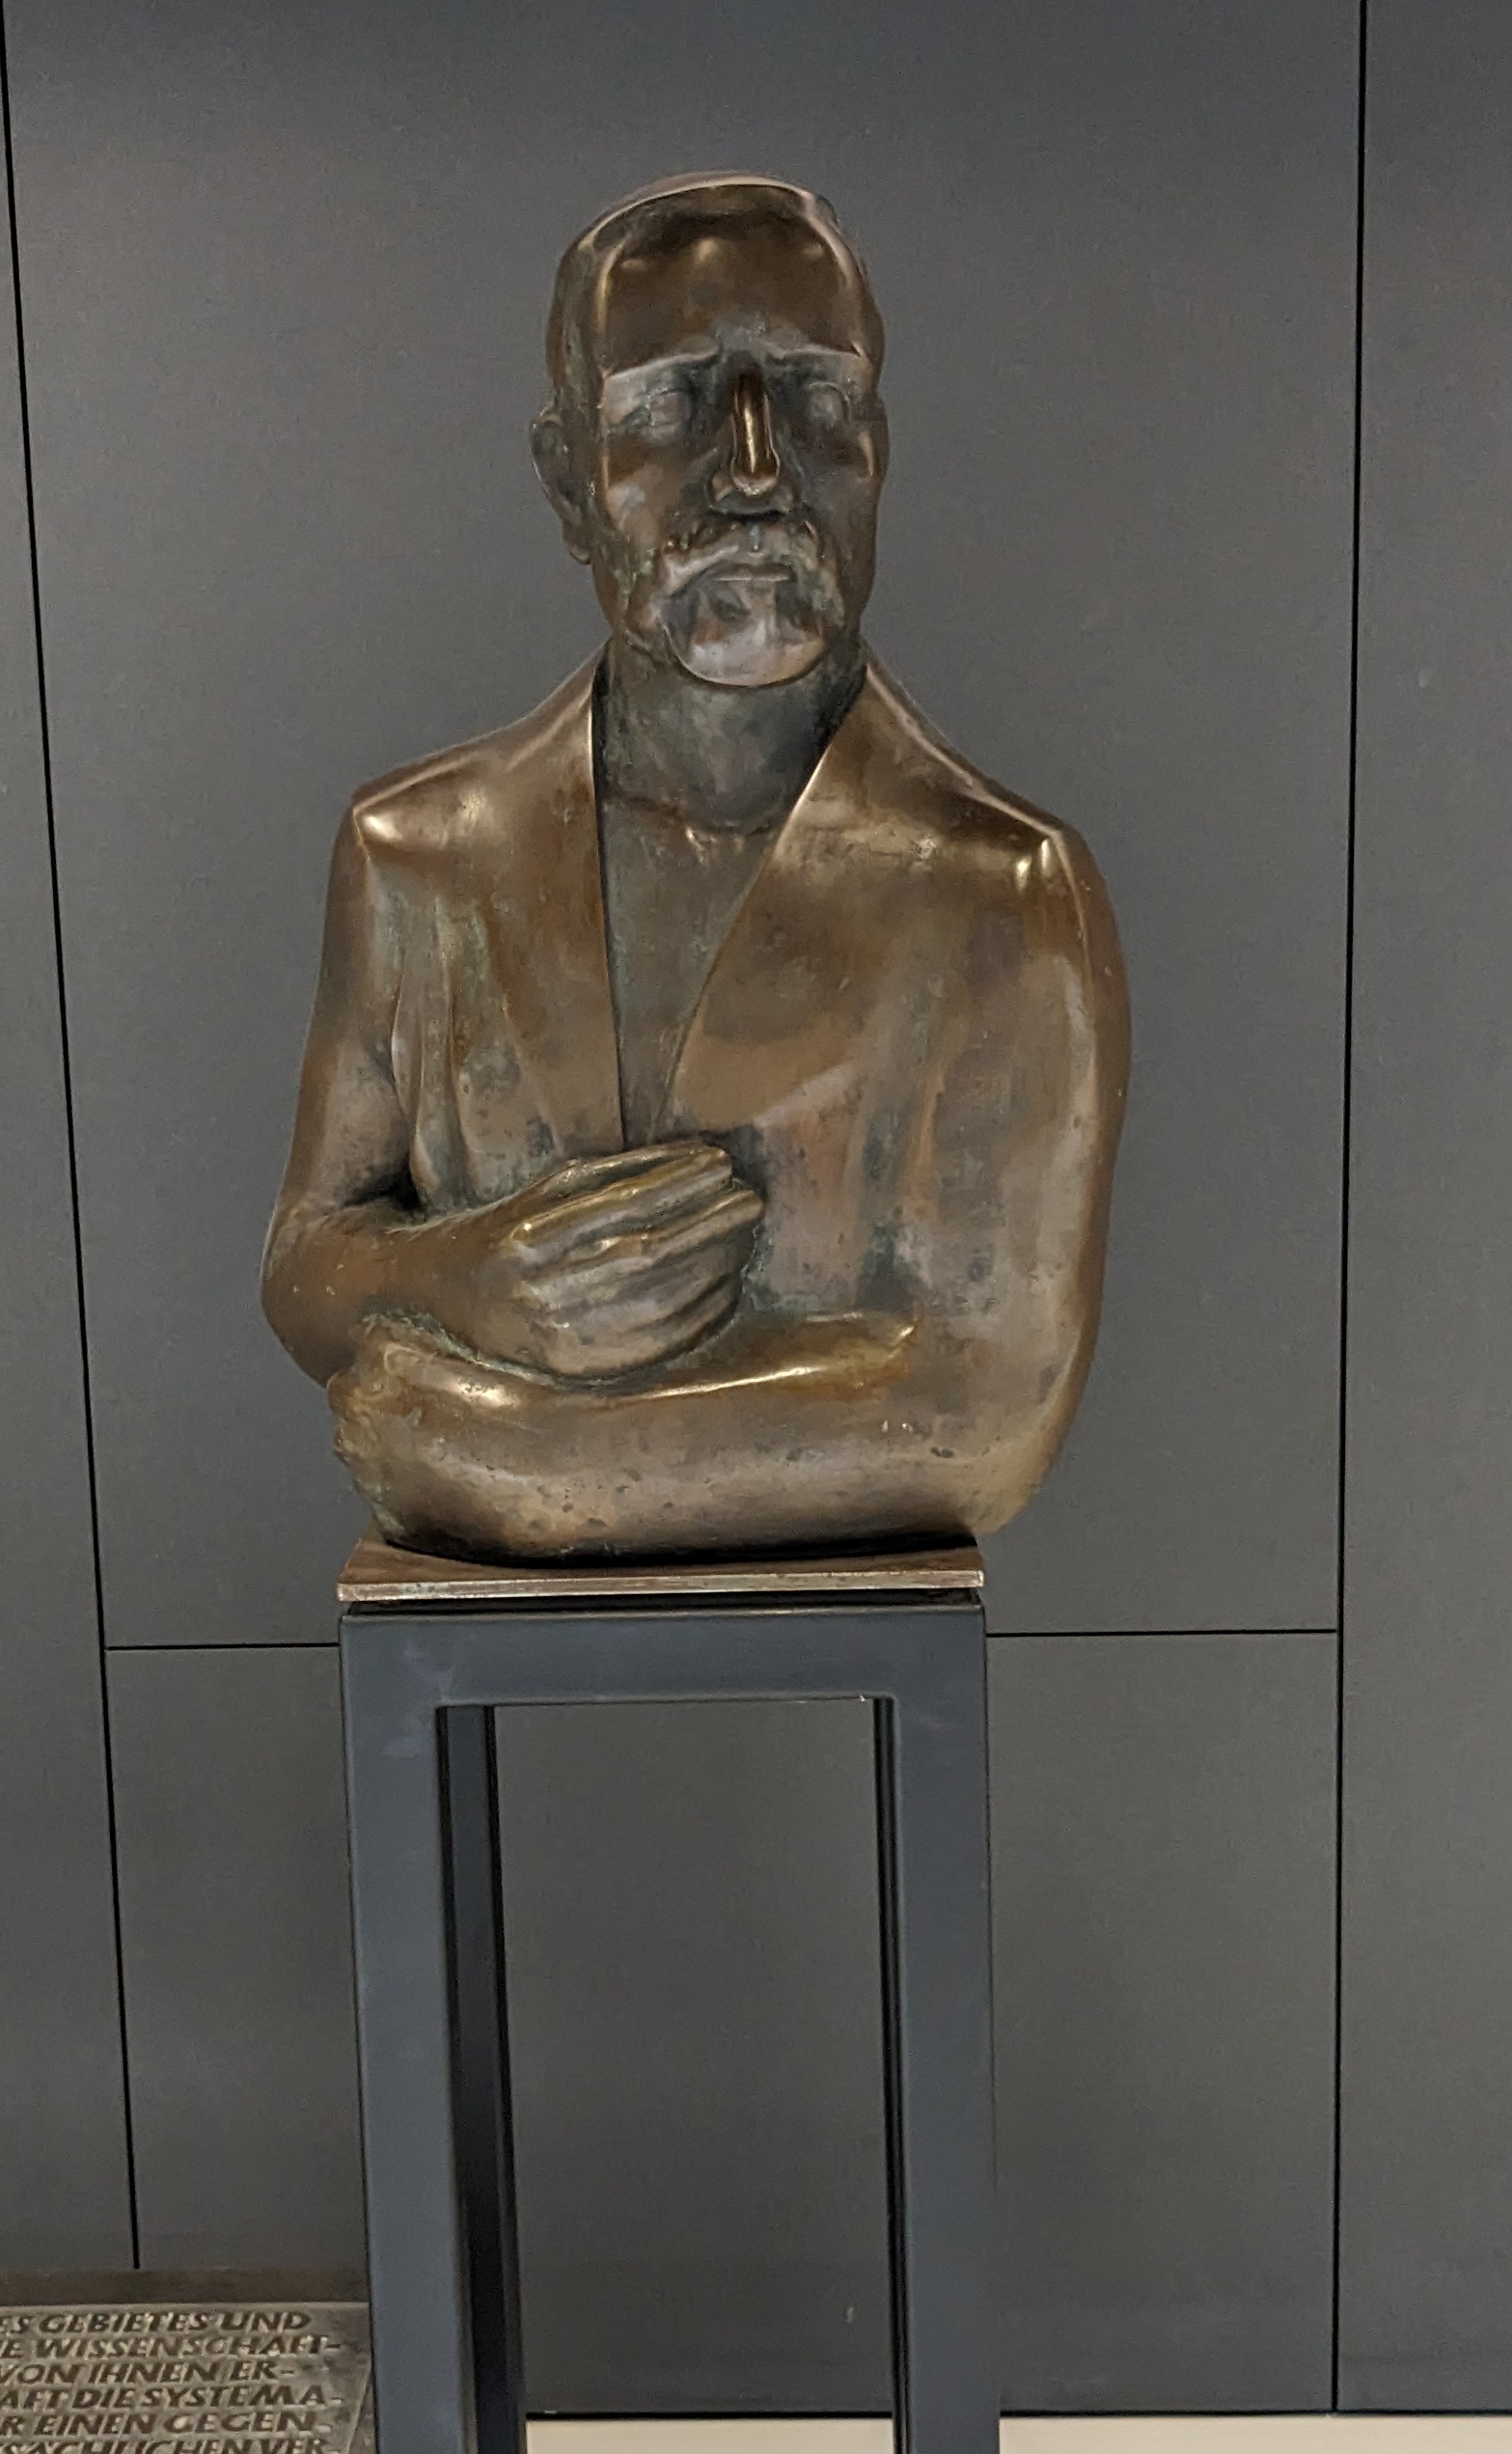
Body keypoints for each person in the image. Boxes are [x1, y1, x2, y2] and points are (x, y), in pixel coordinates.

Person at [263, 172, 1127, 1559]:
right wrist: (464, 1281)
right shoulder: (416, 864)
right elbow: (307, 1261)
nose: (756, 471)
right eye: (672, 407)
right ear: (568, 480)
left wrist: (513, 1460)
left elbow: (984, 1409)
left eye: (814, 397)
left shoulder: (1006, 903)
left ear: (878, 449)